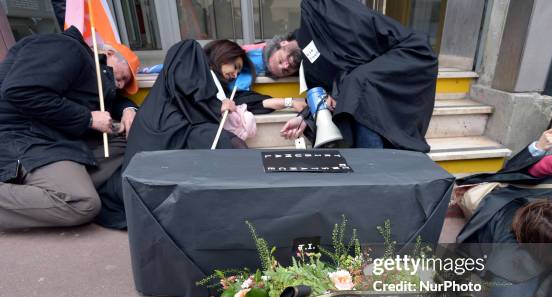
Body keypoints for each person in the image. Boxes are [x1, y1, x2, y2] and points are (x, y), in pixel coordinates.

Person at [95, 39, 306, 229]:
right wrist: (216, 105)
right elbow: (187, 88)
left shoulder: (220, 88)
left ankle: (252, 203)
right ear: (223, 54)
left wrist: (289, 102)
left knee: (230, 143)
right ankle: (255, 204)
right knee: (227, 144)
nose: (235, 74)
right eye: (235, 66)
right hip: (166, 128)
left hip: (187, 131)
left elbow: (252, 101)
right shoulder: (190, 52)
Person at [0, 26, 139, 230]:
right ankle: (47, 188)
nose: (119, 85)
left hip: (52, 139)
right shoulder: (66, 47)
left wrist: (129, 109)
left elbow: (113, 98)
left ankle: (46, 186)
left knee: (130, 144)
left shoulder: (90, 71)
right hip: (22, 137)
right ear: (109, 54)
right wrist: (88, 119)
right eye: (122, 78)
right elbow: (21, 91)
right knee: (82, 203)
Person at [276, 0, 438, 151]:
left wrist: (338, 90)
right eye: (284, 71)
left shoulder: (314, 12)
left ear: (282, 44)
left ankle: (372, 166)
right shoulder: (310, 72)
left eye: (279, 60)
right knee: (354, 95)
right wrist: (304, 119)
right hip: (370, 88)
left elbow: (358, 46)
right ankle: (371, 166)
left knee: (356, 86)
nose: (286, 66)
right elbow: (319, 96)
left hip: (409, 53)